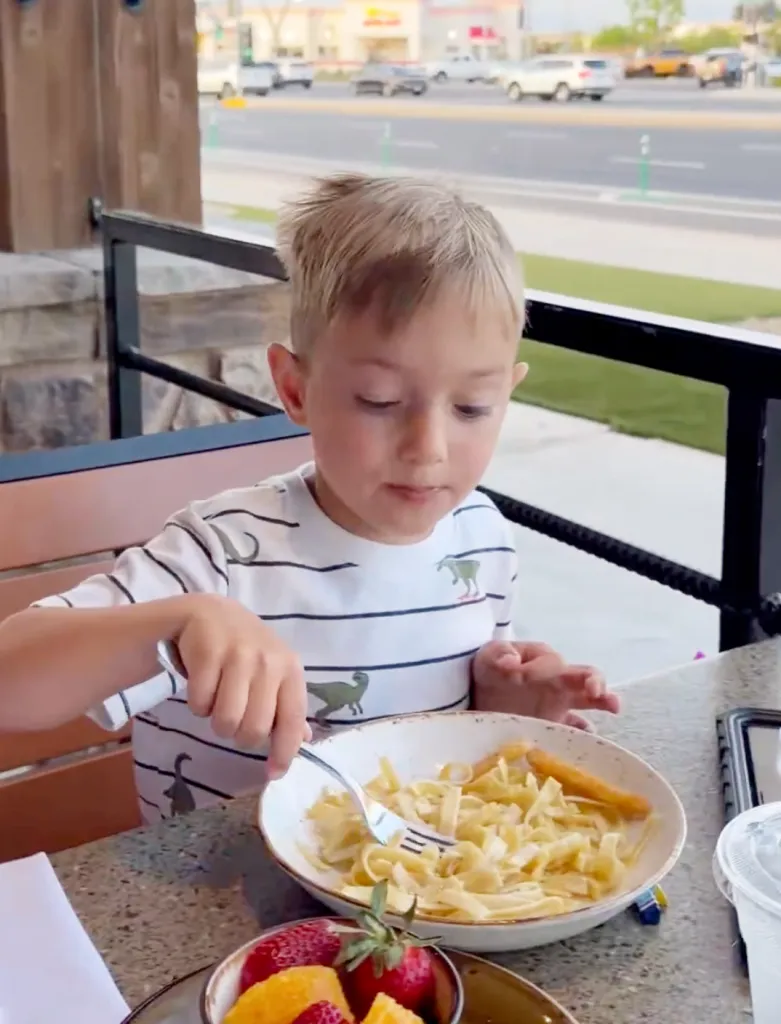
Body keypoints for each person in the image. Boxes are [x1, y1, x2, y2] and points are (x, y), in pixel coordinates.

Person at [0, 174, 618, 821]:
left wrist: (497, 706)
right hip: (227, 902)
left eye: (472, 406)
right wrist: (176, 621)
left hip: (407, 894)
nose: (428, 446)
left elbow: (442, 738)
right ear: (295, 390)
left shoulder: (481, 535)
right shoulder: (223, 553)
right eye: (379, 401)